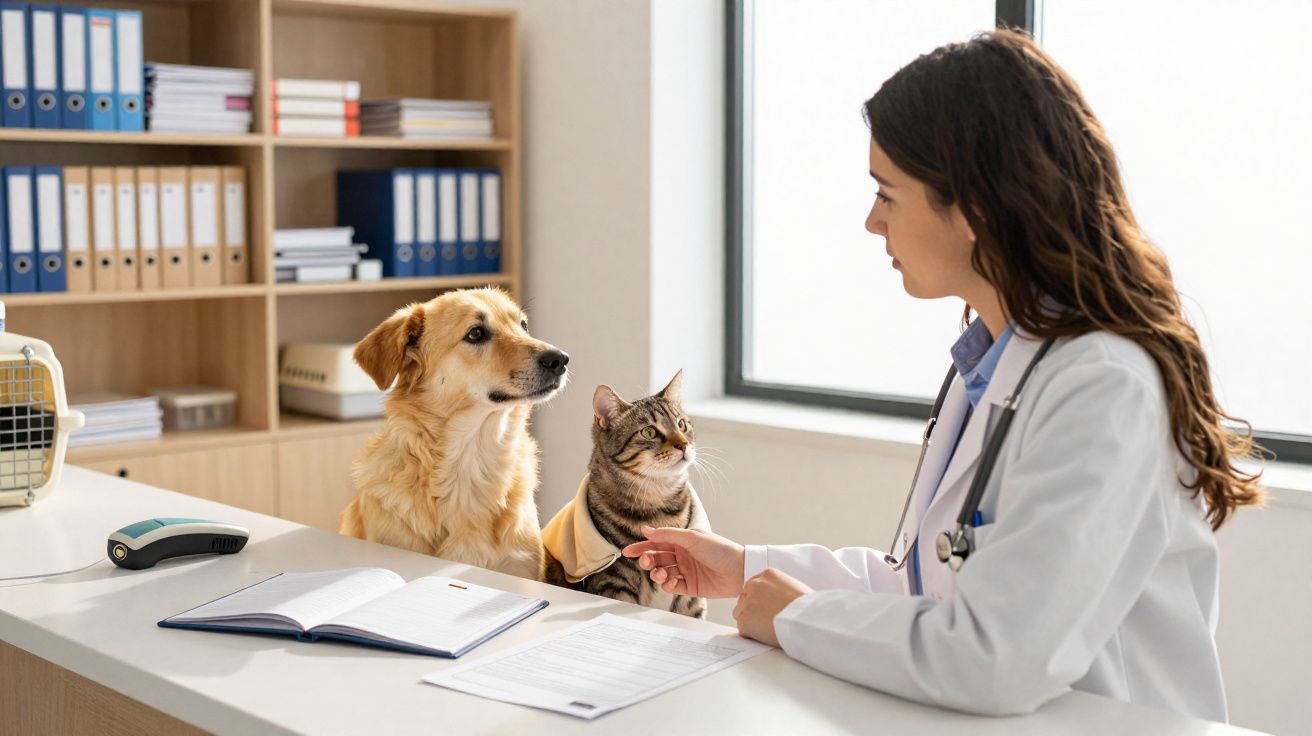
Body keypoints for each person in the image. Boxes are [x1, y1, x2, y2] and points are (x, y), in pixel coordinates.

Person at [622, 29, 1263, 722]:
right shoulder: (991, 364)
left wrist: (795, 619)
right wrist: (743, 567)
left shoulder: (1105, 386)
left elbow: (998, 656)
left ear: (974, 209)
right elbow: (928, 585)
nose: (872, 222)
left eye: (888, 195)